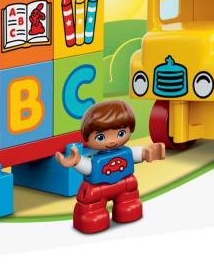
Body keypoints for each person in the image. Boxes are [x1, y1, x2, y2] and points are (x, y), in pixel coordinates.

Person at [56, 100, 165, 233]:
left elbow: (135, 154)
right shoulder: (95, 159)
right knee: (92, 210)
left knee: (128, 202)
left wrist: (146, 153)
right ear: (86, 137)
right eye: (101, 137)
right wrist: (77, 161)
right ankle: (93, 216)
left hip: (125, 184)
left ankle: (127, 207)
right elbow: (89, 167)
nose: (112, 141)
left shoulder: (126, 152)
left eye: (120, 133)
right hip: (98, 189)